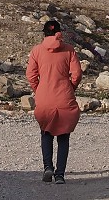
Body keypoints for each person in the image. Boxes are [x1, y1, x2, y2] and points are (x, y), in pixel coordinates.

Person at [25, 18, 82, 183]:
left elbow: (31, 75)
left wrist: (39, 89)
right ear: (59, 33)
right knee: (63, 136)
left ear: (44, 33)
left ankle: (47, 167)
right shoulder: (69, 50)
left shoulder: (36, 50)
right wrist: (70, 87)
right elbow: (77, 74)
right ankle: (60, 175)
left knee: (46, 132)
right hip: (65, 97)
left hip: (44, 98)